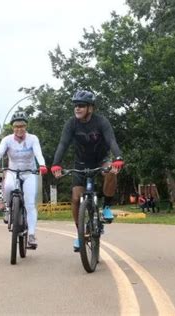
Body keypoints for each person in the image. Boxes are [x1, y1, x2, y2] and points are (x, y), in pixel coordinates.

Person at [50, 89, 124, 252]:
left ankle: (106, 207)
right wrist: (56, 164)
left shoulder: (101, 121)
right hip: (81, 163)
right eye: (75, 105)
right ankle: (80, 234)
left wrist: (118, 158)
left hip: (101, 160)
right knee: (76, 198)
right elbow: (63, 144)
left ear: (90, 108)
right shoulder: (71, 124)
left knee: (111, 171)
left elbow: (111, 140)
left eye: (81, 105)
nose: (77, 108)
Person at [0, 111, 47, 249]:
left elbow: (38, 153)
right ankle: (8, 210)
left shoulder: (33, 139)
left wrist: (42, 165)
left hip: (29, 173)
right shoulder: (7, 140)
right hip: (13, 172)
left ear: (26, 127)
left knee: (30, 203)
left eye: (22, 126)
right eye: (16, 126)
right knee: (8, 187)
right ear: (12, 128)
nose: (19, 129)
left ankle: (31, 235)